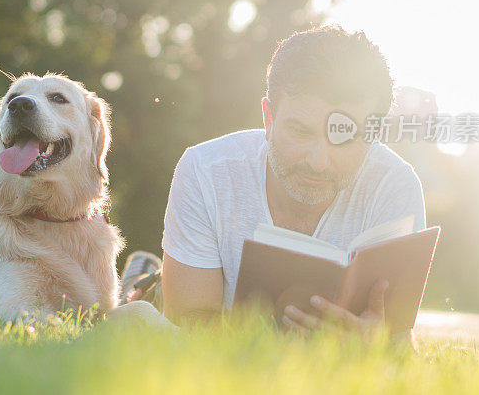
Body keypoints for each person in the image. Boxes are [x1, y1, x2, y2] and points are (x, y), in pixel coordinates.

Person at [120, 25, 426, 337]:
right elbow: (187, 325)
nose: (318, 161)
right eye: (301, 131)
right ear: (269, 117)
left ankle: (145, 274)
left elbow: (400, 347)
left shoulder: (395, 187)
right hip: (213, 328)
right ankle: (140, 282)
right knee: (134, 315)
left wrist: (374, 346)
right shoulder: (206, 170)